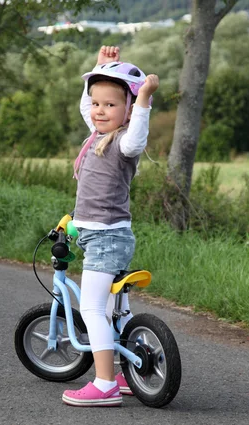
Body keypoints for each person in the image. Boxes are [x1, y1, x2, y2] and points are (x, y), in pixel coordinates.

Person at [62, 46, 159, 407]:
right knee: (112, 311)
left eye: (111, 105)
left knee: (91, 309)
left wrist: (145, 98)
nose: (100, 111)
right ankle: (132, 370)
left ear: (128, 110)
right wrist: (100, 67)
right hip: (96, 234)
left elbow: (138, 135)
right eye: (97, 104)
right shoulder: (98, 134)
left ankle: (104, 384)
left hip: (107, 239)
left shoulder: (122, 143)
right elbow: (86, 107)